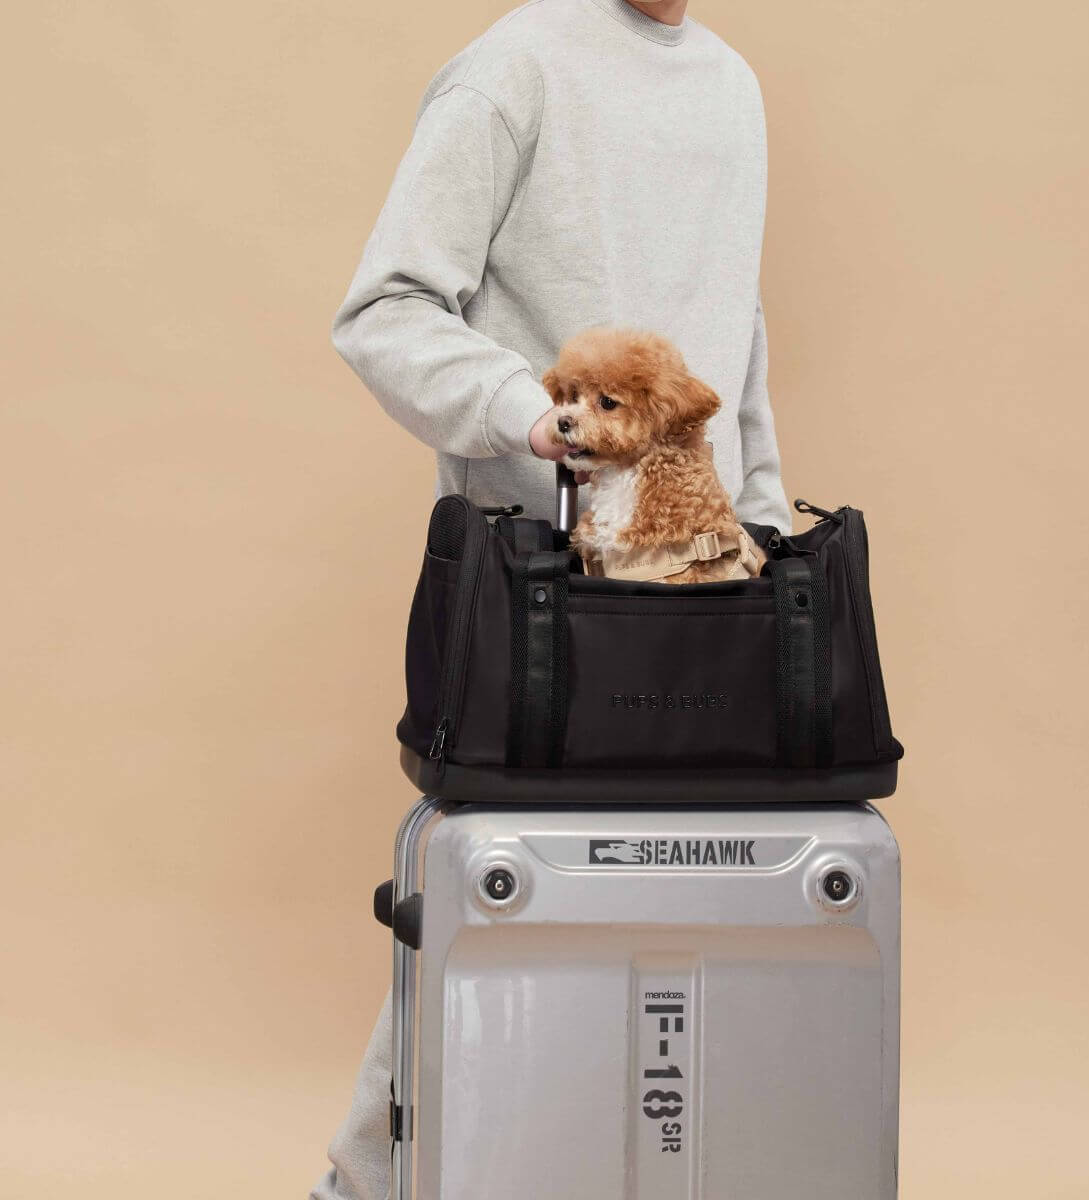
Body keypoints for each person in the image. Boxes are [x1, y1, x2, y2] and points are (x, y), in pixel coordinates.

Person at [315, 1, 789, 1195]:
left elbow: (734, 343)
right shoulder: (513, 71)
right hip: (539, 586)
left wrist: (766, 523)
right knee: (506, 900)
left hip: (703, 583)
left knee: (698, 921)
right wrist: (539, 418)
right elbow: (384, 311)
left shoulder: (733, 87)